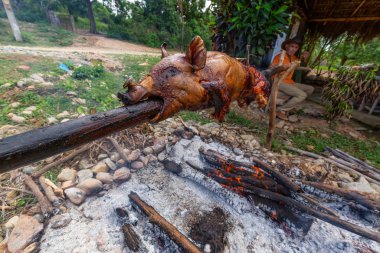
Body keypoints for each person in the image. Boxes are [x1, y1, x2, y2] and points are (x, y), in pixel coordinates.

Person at [271, 38, 314, 119]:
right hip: (279, 81)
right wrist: (278, 67)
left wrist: (304, 58)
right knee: (302, 95)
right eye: (292, 46)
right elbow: (271, 68)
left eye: (296, 47)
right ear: (287, 46)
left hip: (289, 82)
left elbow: (300, 64)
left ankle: (289, 103)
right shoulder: (279, 56)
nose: (293, 49)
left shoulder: (294, 58)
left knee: (310, 89)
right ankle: (280, 109)